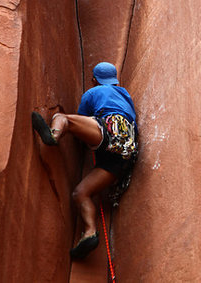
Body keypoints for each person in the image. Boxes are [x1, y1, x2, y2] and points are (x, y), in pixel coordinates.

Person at [31, 61, 138, 260]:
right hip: (125, 152)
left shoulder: (92, 93)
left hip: (109, 130)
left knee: (65, 118)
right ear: (115, 80)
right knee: (81, 192)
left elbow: (81, 119)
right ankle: (89, 233)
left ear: (94, 80)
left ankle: (53, 136)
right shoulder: (125, 95)